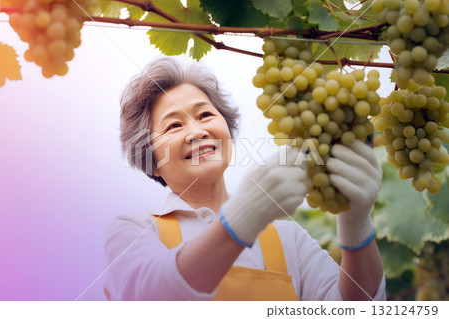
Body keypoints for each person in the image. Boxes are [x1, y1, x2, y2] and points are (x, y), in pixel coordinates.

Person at [103, 56, 386, 301]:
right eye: (174, 125)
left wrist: (356, 224)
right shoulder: (134, 230)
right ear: (151, 161)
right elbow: (152, 296)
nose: (197, 131)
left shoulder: (288, 238)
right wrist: (242, 218)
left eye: (204, 114)